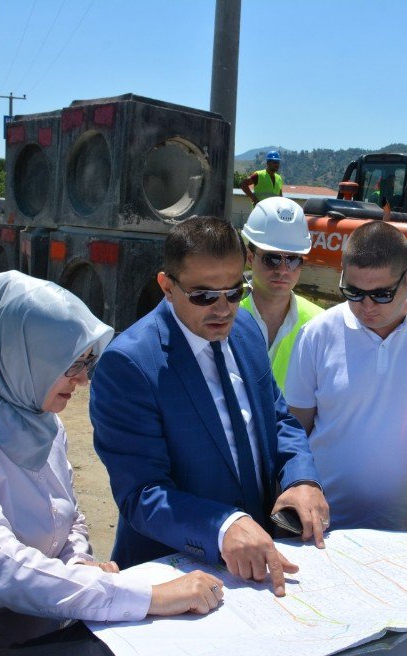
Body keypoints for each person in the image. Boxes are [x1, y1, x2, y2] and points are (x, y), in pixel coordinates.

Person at [0, 272, 223, 656]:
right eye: (72, 363)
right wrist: (149, 596)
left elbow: (68, 517)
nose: (81, 380)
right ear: (20, 355)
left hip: (31, 646)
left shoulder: (43, 423)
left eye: (88, 362)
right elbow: (0, 568)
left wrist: (78, 561)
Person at [90, 216, 329, 598]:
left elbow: (278, 419)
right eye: (203, 296)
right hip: (174, 572)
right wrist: (223, 526)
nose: (223, 309)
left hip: (258, 567)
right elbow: (142, 494)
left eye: (234, 292)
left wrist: (301, 478)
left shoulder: (247, 329)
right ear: (167, 286)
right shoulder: (130, 365)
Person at [284, 220, 407, 541]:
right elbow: (295, 431)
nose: (365, 306)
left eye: (380, 294)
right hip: (323, 531)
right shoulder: (317, 335)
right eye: (353, 292)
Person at [240, 196, 324, 390]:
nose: (283, 270)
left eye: (293, 260)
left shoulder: (320, 323)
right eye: (272, 259)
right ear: (250, 257)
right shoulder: (225, 316)